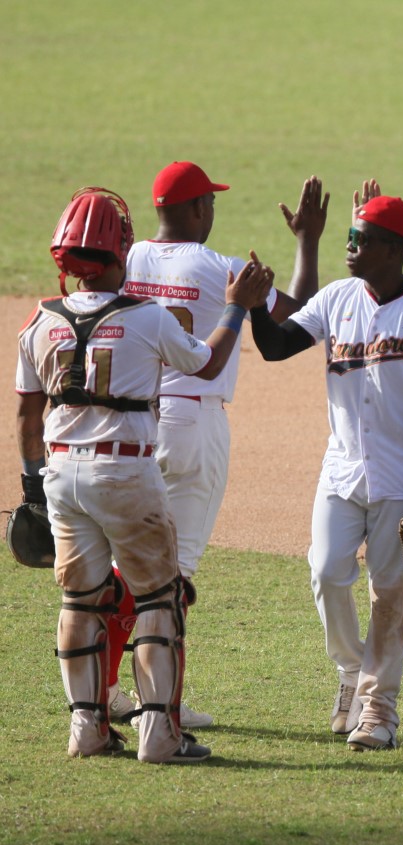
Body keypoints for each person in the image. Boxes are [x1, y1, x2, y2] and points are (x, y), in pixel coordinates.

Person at [17, 187, 271, 761]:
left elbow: (26, 415)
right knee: (160, 598)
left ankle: (88, 728)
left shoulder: (39, 320)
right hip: (126, 473)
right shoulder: (144, 317)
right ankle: (160, 732)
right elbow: (205, 360)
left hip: (59, 475)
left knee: (80, 602)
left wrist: (33, 486)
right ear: (121, 250)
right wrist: (233, 306)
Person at [103, 163, 329, 729]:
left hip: (126, 426)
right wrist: (306, 240)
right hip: (191, 427)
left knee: (124, 566)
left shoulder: (123, 263)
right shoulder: (222, 269)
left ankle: (104, 690)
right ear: (199, 208)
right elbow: (298, 312)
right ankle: (162, 705)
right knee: (171, 576)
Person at [248, 192, 403, 751]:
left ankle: (380, 710)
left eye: (360, 239)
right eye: (350, 237)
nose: (350, 247)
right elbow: (274, 347)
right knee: (325, 570)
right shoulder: (337, 298)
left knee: (391, 595)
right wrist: (251, 306)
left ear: (394, 250)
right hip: (341, 471)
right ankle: (352, 669)